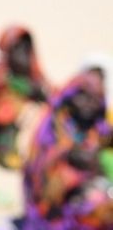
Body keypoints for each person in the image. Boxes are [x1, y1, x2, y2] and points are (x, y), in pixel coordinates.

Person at [22, 69, 113, 228]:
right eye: (83, 96)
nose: (89, 103)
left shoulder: (100, 129)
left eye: (95, 97)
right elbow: (40, 175)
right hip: (53, 208)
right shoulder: (52, 128)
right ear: (70, 96)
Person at [0, 25, 50, 169]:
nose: (23, 56)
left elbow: (52, 95)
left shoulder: (35, 76)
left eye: (26, 50)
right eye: (17, 49)